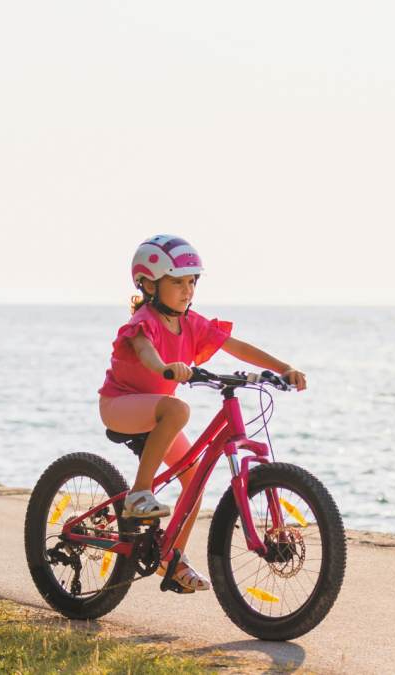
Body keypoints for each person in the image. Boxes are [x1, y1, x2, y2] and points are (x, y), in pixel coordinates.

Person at [97, 235, 307, 591]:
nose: (187, 289)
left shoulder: (192, 323)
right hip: (121, 405)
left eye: (192, 281)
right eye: (177, 281)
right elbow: (146, 352)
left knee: (194, 482)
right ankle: (139, 492)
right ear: (149, 284)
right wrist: (167, 367)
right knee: (178, 407)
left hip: (159, 415)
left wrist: (284, 367)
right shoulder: (144, 322)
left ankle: (172, 558)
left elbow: (237, 346)